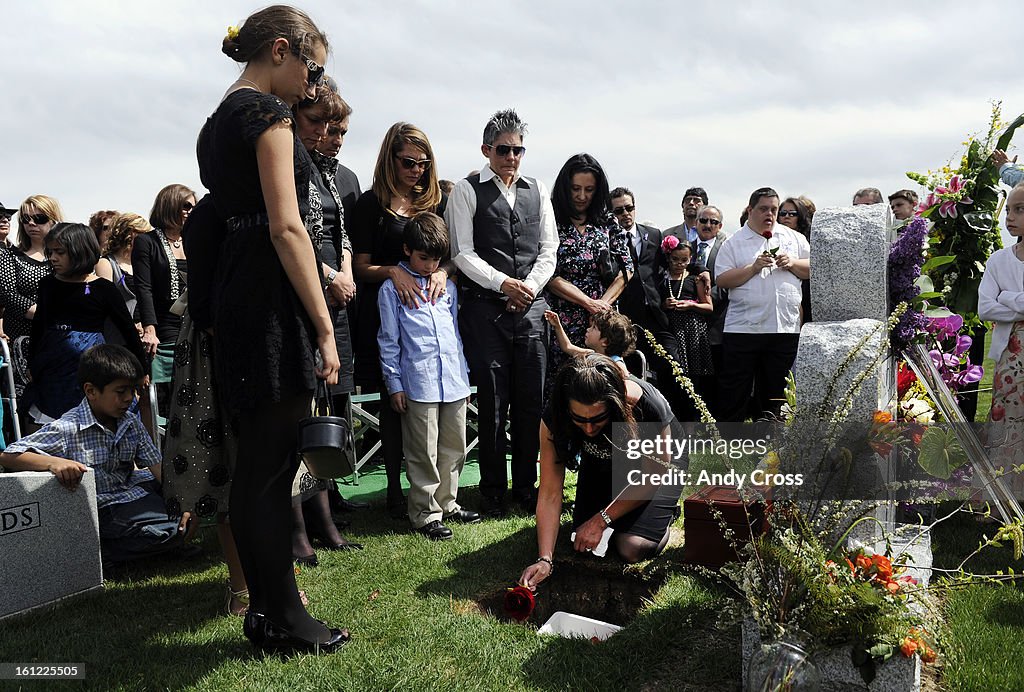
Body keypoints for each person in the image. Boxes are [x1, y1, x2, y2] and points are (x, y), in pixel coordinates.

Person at [198, 5, 347, 653]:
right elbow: (289, 227)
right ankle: (284, 618)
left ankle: (267, 613)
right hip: (270, 301)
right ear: (280, 50)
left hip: (237, 292)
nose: (313, 85)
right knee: (269, 466)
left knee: (258, 466)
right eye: (310, 68)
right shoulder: (268, 115)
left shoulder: (216, 122)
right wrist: (324, 327)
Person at [445, 108, 559, 518]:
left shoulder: (537, 189)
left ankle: (527, 488)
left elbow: (549, 250)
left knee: (531, 403)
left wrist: (526, 288)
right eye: (504, 149)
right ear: (486, 149)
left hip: (531, 309)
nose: (511, 157)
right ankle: (493, 489)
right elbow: (461, 251)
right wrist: (502, 283)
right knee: (492, 402)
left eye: (518, 150)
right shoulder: (467, 189)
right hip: (485, 311)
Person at [0, 344, 191, 563]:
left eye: (133, 390)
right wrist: (54, 463)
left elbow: (157, 467)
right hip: (103, 508)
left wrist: (182, 503)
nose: (130, 398)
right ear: (91, 391)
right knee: (170, 531)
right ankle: (106, 552)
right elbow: (8, 455)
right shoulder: (68, 427)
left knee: (178, 512)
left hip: (132, 493)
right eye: (121, 392)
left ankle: (159, 537)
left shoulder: (131, 423)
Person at [518, 355, 680, 591]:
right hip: (602, 457)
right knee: (581, 537)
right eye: (579, 420)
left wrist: (601, 519)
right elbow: (550, 493)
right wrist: (545, 559)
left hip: (657, 465)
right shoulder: (554, 415)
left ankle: (665, 514)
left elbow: (651, 477)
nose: (589, 428)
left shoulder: (645, 405)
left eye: (597, 419)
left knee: (631, 546)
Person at [352, 122, 448, 518]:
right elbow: (359, 267)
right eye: (409, 162)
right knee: (395, 405)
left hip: (428, 321)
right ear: (390, 158)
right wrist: (393, 270)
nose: (416, 171)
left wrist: (443, 272)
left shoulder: (435, 204)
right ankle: (394, 488)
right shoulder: (369, 204)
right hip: (384, 314)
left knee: (432, 405)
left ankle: (436, 492)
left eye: (423, 164)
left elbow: (446, 254)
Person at [290, 77, 361, 563]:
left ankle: (325, 519)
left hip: (335, 300)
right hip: (302, 295)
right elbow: (292, 234)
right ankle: (296, 530)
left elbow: (342, 234)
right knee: (297, 417)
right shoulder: (290, 164)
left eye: (334, 125)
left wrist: (346, 273)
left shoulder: (334, 173)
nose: (327, 132)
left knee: (326, 410)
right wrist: (330, 275)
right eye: (319, 122)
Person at [378, 213, 479, 540]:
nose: (429, 265)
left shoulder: (446, 285)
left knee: (455, 447)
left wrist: (463, 373)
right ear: (407, 249)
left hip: (453, 379)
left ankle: (448, 504)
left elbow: (456, 332)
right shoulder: (391, 290)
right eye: (423, 258)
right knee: (423, 451)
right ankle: (424, 513)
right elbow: (388, 340)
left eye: (436, 259)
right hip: (418, 381)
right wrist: (394, 384)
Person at [25, 223, 148, 426]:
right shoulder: (47, 284)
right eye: (51, 252)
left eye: (60, 252)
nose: (53, 257)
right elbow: (39, 325)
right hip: (53, 363)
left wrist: (142, 370)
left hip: (92, 362)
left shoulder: (103, 288)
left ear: (79, 251)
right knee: (55, 417)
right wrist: (33, 362)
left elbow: (127, 329)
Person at [714, 187, 810, 423]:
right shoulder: (734, 242)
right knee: (734, 393)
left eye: (774, 210)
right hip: (744, 329)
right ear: (750, 210)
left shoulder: (793, 238)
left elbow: (812, 269)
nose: (770, 214)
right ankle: (730, 449)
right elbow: (722, 279)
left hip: (783, 328)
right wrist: (753, 268)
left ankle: (771, 452)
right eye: (763, 209)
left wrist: (793, 262)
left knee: (777, 395)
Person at [546, 154, 632, 396]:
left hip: (601, 324)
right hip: (563, 320)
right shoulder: (551, 220)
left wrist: (603, 304)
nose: (582, 196)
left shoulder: (607, 222)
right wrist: (587, 302)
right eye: (575, 189)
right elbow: (549, 274)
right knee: (564, 390)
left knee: (604, 391)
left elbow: (627, 268)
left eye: (589, 190)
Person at [610, 186, 687, 414]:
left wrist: (700, 269)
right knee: (632, 373)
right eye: (618, 211)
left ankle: (673, 419)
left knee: (673, 366)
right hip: (626, 317)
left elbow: (674, 260)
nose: (625, 214)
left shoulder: (653, 234)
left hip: (656, 314)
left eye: (629, 208)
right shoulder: (608, 239)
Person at [978, 182, 1024, 509]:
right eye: (1008, 209)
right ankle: (1008, 499)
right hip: (1012, 355)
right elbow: (984, 307)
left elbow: (997, 303)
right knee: (1008, 423)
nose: (1010, 216)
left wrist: (1006, 298)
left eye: (1020, 209)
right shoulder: (998, 260)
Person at [133, 183, 196, 410]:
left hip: (195, 320)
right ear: (170, 205)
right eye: (186, 206)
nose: (190, 211)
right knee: (165, 392)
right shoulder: (146, 242)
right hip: (165, 323)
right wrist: (150, 329)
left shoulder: (195, 239)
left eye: (193, 207)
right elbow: (143, 288)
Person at [659, 237, 713, 399]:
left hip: (692, 332)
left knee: (693, 375)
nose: (679, 264)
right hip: (672, 330)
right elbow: (656, 304)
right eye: (675, 259)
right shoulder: (662, 278)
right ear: (668, 257)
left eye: (684, 260)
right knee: (674, 371)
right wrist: (664, 305)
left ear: (690, 259)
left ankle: (692, 416)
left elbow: (709, 307)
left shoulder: (694, 279)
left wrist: (691, 305)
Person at [690, 204, 729, 411]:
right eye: (703, 220)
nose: (707, 225)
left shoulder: (726, 248)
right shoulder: (685, 247)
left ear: (720, 226)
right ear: (695, 223)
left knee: (716, 375)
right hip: (688, 322)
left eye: (713, 222)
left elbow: (725, 285)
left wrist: (702, 301)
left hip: (716, 322)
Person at [94, 212, 152, 333]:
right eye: (143, 234)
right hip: (120, 335)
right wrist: (131, 326)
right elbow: (107, 304)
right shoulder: (105, 263)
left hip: (148, 333)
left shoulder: (147, 263)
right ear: (129, 234)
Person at [777, 196, 814, 323]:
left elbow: (814, 267)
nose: (786, 216)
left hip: (807, 294)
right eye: (782, 213)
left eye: (792, 214)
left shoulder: (810, 239)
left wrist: (792, 263)